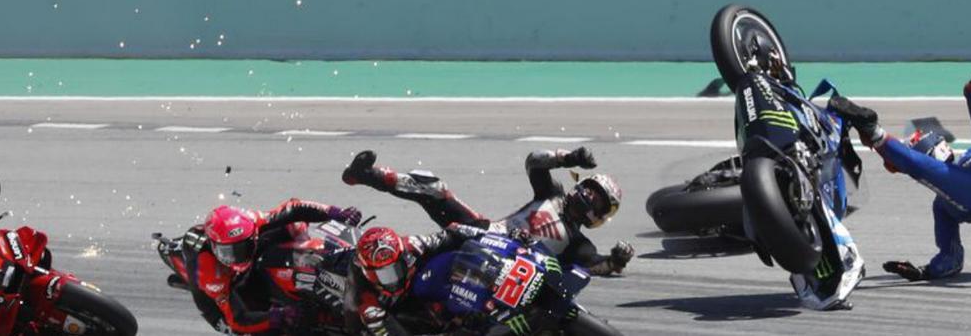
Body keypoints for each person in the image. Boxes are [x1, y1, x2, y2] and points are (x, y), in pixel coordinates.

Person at [830, 33, 971, 281]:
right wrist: (873, 131)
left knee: (938, 191)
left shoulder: (946, 203)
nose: (938, 143)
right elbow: (915, 164)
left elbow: (952, 258)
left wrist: (925, 272)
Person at [341, 147, 634, 276]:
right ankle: (365, 174)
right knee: (435, 188)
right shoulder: (551, 195)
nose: (590, 196)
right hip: (484, 231)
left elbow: (597, 266)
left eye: (598, 200)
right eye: (591, 188)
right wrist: (568, 157)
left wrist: (616, 260)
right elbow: (534, 162)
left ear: (600, 215)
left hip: (504, 270)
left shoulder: (578, 244)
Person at [179, 199, 362, 334]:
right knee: (250, 329)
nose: (237, 257)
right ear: (214, 246)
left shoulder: (252, 220)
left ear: (252, 234)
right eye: (229, 252)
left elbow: (294, 208)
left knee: (295, 227)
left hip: (254, 256)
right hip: (219, 297)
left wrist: (335, 213)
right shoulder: (210, 273)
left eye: (243, 247)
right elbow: (237, 319)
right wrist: (278, 316)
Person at [344, 224, 487, 336]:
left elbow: (450, 234)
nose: (394, 279)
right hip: (380, 307)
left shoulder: (413, 245)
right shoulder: (365, 298)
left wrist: (485, 236)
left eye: (397, 268)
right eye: (386, 275)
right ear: (371, 275)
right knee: (355, 327)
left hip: (412, 288)